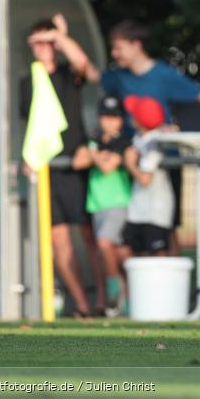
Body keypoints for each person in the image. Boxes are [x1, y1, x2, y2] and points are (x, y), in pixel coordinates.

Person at [102, 20, 200, 255]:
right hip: (141, 172)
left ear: (136, 44)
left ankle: (173, 288)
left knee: (165, 229)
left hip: (163, 163)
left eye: (119, 47)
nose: (114, 53)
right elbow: (90, 73)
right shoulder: (119, 77)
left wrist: (183, 129)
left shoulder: (163, 75)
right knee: (140, 236)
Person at [20, 15, 105, 317]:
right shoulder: (27, 81)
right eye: (38, 42)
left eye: (48, 42)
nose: (44, 48)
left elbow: (88, 69)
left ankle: (102, 301)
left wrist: (62, 37)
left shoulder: (68, 74)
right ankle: (81, 305)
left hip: (76, 164)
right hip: (48, 171)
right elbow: (30, 127)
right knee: (59, 241)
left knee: (89, 235)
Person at [72, 96, 133, 317]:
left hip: (118, 202)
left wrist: (95, 153)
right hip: (97, 204)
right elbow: (78, 161)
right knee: (115, 252)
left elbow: (107, 167)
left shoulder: (123, 141)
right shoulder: (96, 139)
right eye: (107, 117)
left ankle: (114, 287)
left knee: (105, 244)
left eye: (115, 117)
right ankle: (123, 301)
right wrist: (98, 154)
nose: (110, 122)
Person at [122, 96, 174, 255]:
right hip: (139, 210)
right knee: (134, 252)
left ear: (140, 121)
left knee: (158, 256)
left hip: (154, 212)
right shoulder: (140, 138)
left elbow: (145, 179)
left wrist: (130, 164)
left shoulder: (153, 143)